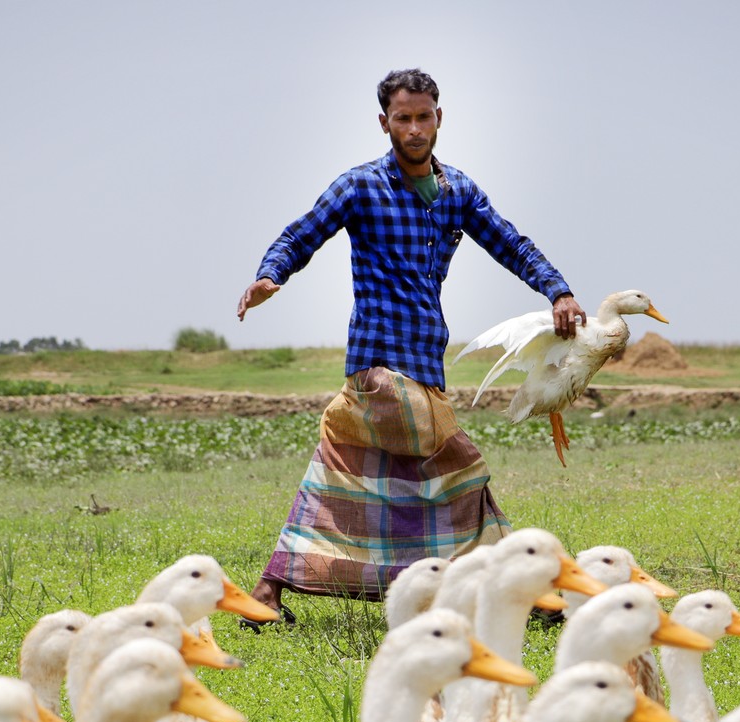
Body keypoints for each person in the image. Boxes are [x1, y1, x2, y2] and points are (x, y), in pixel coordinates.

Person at [236, 68, 587, 624]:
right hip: (378, 362)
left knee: (344, 471)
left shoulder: (458, 193)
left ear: (439, 118)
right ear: (385, 123)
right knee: (462, 470)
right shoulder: (359, 187)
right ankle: (523, 592)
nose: (415, 128)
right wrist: (271, 275)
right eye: (404, 119)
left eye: (424, 117)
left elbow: (511, 244)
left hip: (426, 362)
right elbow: (302, 233)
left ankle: (266, 593)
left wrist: (558, 289)